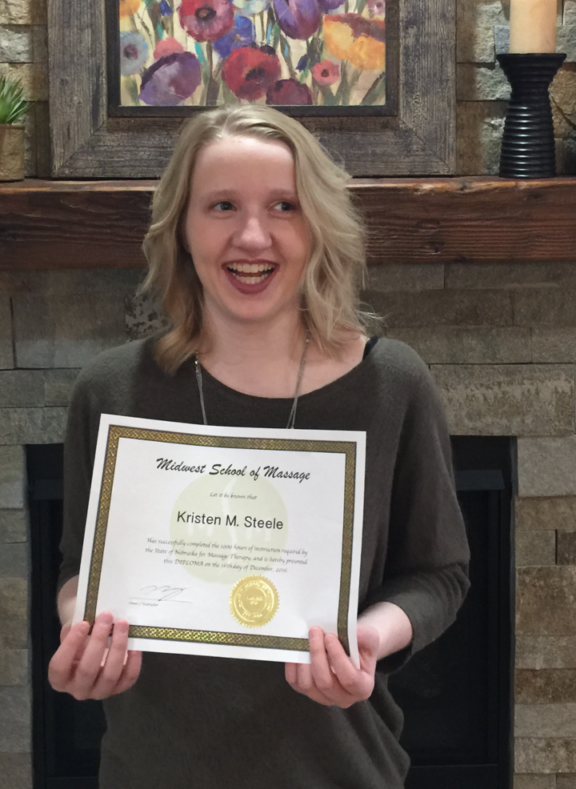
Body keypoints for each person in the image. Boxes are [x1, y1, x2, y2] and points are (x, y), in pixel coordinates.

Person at [49, 104, 469, 789]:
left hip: (339, 771)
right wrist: (83, 628)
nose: (252, 236)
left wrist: (370, 638)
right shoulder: (110, 390)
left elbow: (439, 576)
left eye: (283, 206)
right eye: (220, 206)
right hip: (153, 771)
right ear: (181, 230)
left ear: (319, 227)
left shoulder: (392, 384)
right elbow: (79, 568)